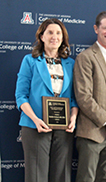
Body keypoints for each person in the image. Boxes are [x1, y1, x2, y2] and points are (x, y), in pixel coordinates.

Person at [15, 18, 79, 182]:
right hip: (35, 126)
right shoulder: (30, 61)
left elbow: (74, 98)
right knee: (36, 176)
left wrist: (73, 118)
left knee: (61, 175)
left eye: (58, 33)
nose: (54, 37)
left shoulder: (71, 64)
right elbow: (21, 96)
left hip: (63, 127)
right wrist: (36, 120)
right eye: (50, 32)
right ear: (41, 36)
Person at [73, 11, 106, 182]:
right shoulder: (86, 57)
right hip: (91, 133)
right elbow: (83, 96)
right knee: (86, 179)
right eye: (105, 28)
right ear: (96, 29)